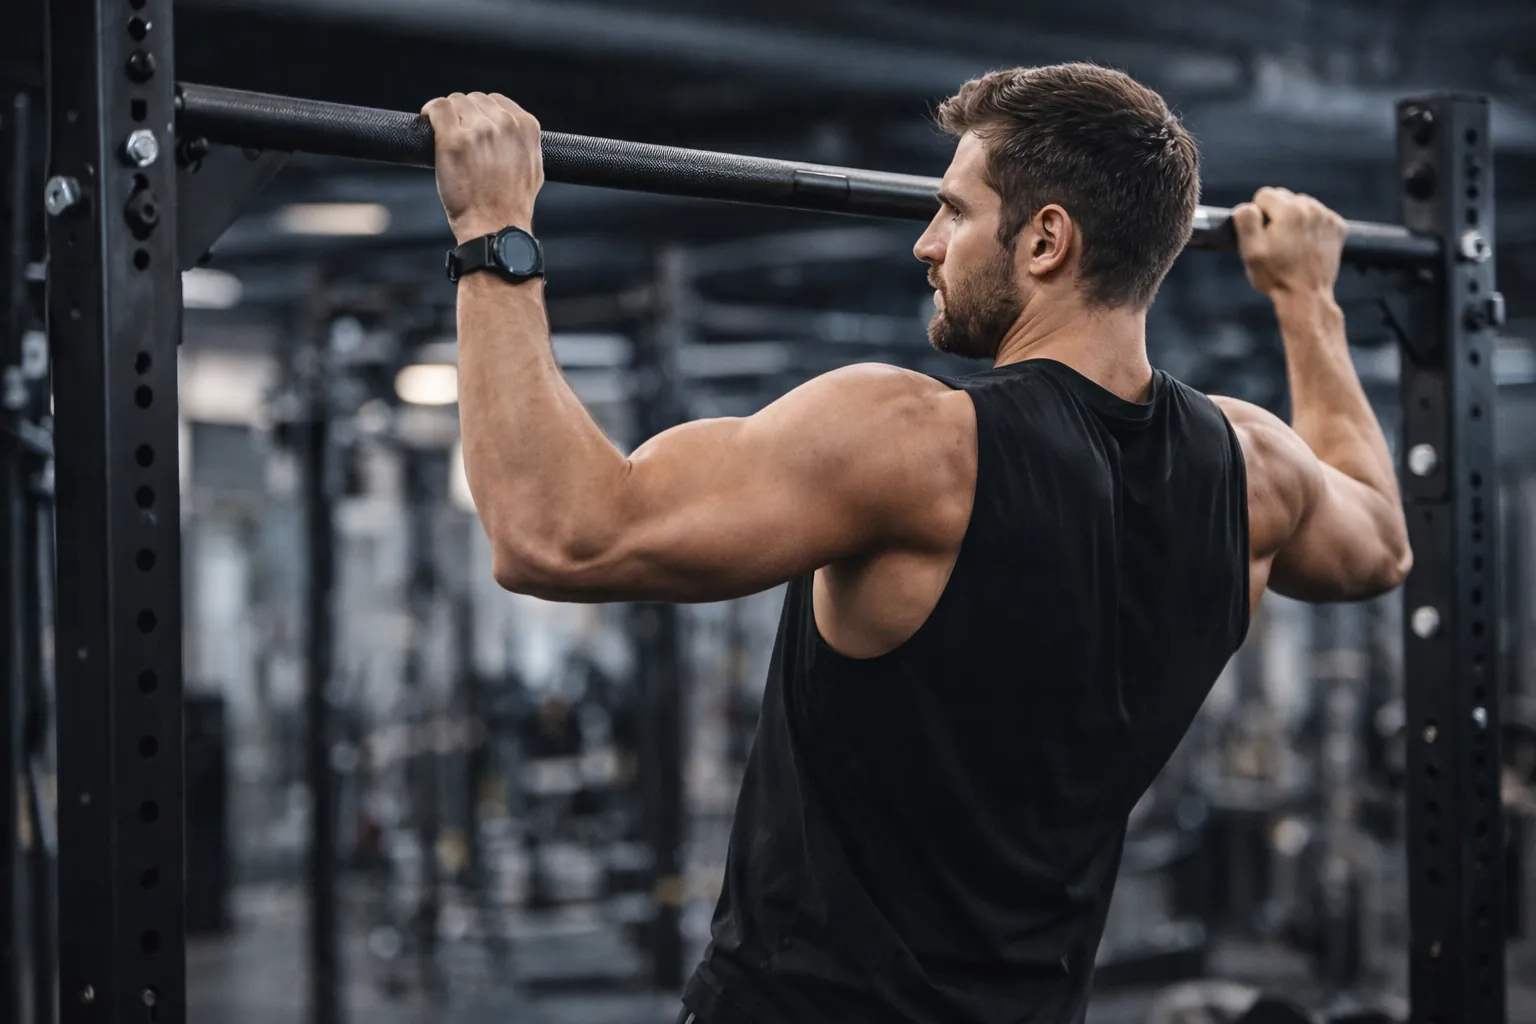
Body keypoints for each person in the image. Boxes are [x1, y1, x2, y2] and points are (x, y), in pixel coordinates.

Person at [422, 60, 1411, 1024]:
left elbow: (556, 535)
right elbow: (1380, 543)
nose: (925, 245)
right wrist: (1305, 302)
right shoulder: (1252, 472)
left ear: (1046, 241)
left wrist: (493, 232)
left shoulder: (920, 447)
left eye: (956, 209)